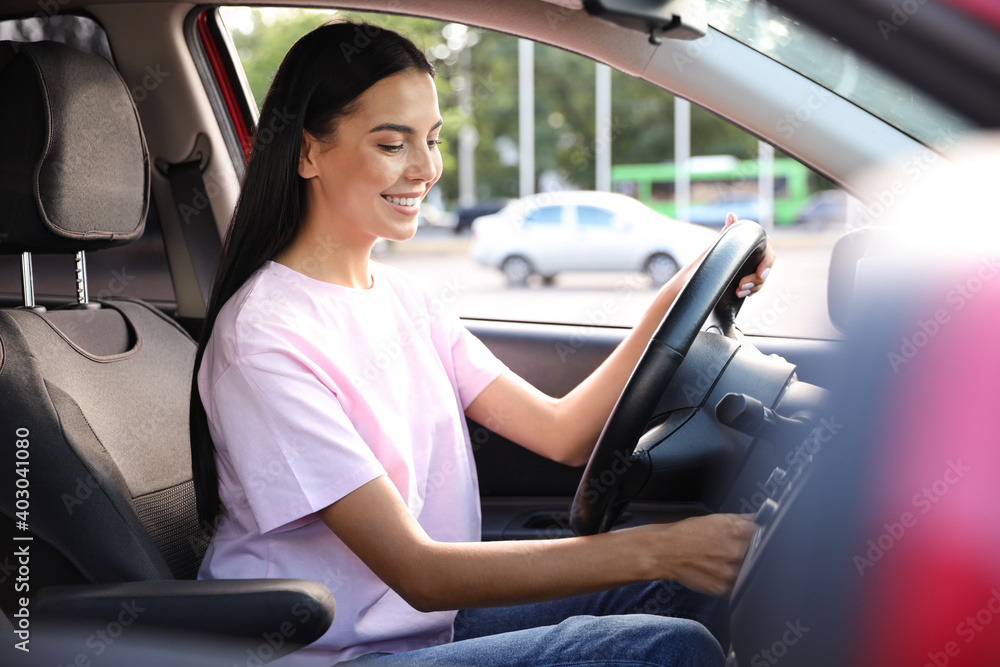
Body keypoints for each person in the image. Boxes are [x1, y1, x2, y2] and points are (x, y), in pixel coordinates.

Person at [190, 20, 775, 667]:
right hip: (332, 654)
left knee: (676, 591)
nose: (425, 168)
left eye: (433, 140)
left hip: (425, 630)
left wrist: (680, 293)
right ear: (308, 153)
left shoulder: (406, 300)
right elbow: (421, 572)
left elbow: (563, 432)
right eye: (392, 143)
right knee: (671, 643)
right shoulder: (264, 338)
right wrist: (659, 545)